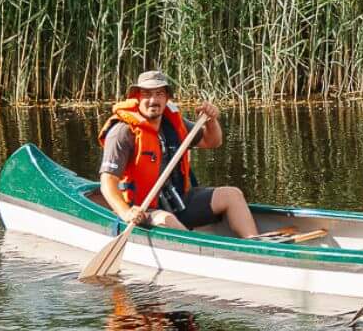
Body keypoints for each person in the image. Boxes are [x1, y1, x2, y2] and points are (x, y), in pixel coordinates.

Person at [99, 69, 261, 238]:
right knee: (167, 220)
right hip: (143, 208)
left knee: (232, 195)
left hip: (178, 201)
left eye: (159, 94)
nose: (153, 100)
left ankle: (255, 246)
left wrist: (211, 121)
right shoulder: (122, 132)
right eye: (147, 94)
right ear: (137, 97)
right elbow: (107, 182)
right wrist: (127, 213)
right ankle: (203, 254)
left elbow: (212, 141)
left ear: (167, 98)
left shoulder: (173, 124)